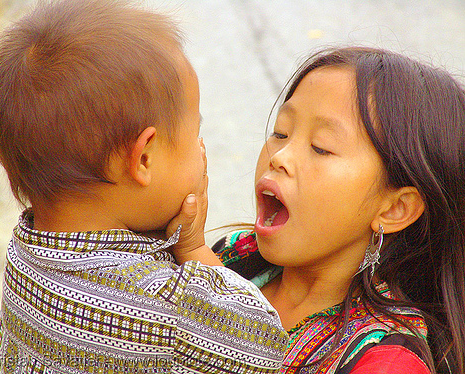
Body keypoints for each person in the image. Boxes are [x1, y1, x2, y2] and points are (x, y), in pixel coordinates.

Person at [0, 1, 289, 372]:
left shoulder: (23, 254)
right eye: (195, 134)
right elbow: (264, 343)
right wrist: (192, 248)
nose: (202, 148)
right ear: (144, 158)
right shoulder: (167, 307)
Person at [175, 47, 465, 374]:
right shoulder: (236, 256)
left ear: (395, 208)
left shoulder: (387, 361)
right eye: (280, 133)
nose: (280, 156)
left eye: (320, 147)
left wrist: (193, 251)